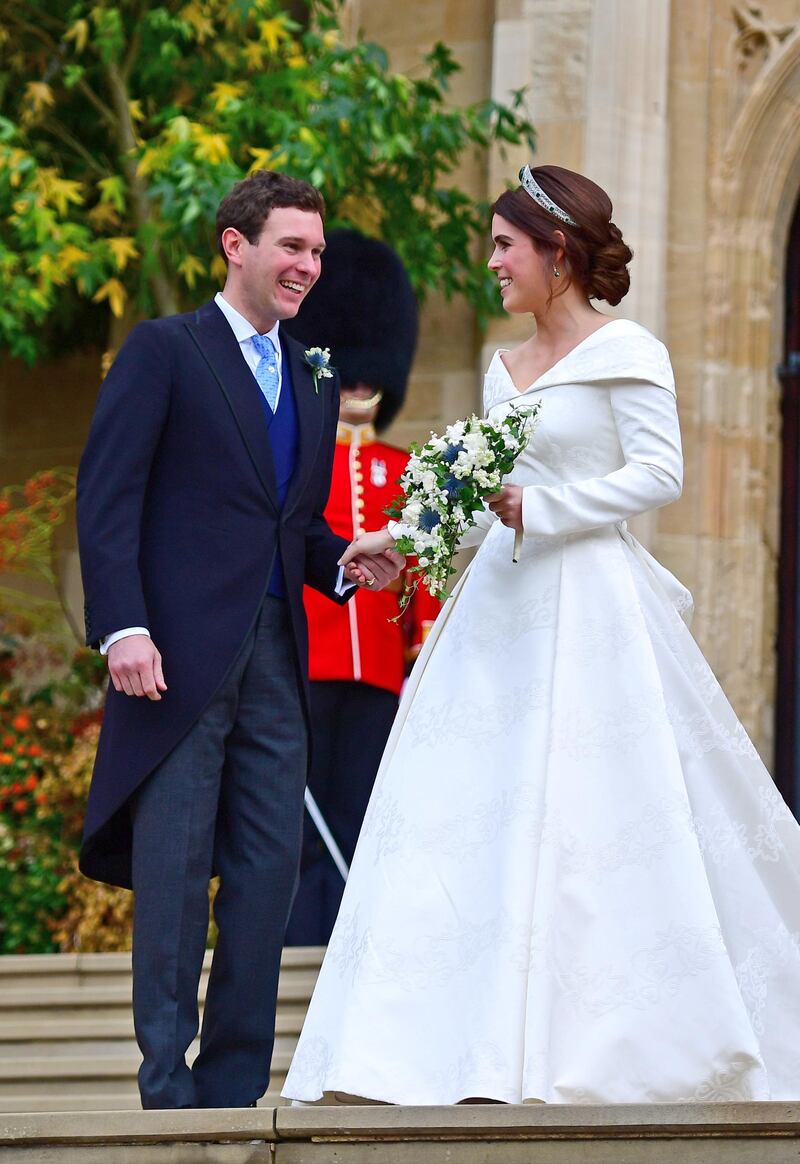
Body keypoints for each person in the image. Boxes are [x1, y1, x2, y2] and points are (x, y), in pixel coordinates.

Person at [282, 164, 800, 1106]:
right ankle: (453, 1048)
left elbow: (660, 474)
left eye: (504, 247)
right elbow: (482, 503)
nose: (492, 264)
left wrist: (549, 506)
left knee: (596, 818)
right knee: (473, 811)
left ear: (557, 253)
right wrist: (402, 541)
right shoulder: (502, 369)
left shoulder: (629, 352)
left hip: (594, 603)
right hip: (502, 612)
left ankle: (604, 1038)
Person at [76, 170, 403, 1110]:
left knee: (268, 867)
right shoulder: (163, 350)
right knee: (175, 866)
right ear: (236, 245)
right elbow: (109, 499)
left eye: (317, 252)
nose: (308, 266)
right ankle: (165, 1085)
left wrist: (351, 560)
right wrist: (123, 628)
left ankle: (231, 1085)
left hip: (277, 655)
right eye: (292, 247)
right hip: (173, 659)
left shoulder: (314, 372)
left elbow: (290, 527)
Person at [281, 230, 440, 946]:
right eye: (349, 376)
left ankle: (349, 946)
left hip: (378, 671)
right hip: (308, 662)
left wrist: (422, 659)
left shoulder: (404, 468)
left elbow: (423, 575)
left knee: (361, 812)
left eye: (368, 378)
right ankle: (296, 940)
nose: (359, 388)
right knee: (301, 818)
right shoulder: (300, 458)